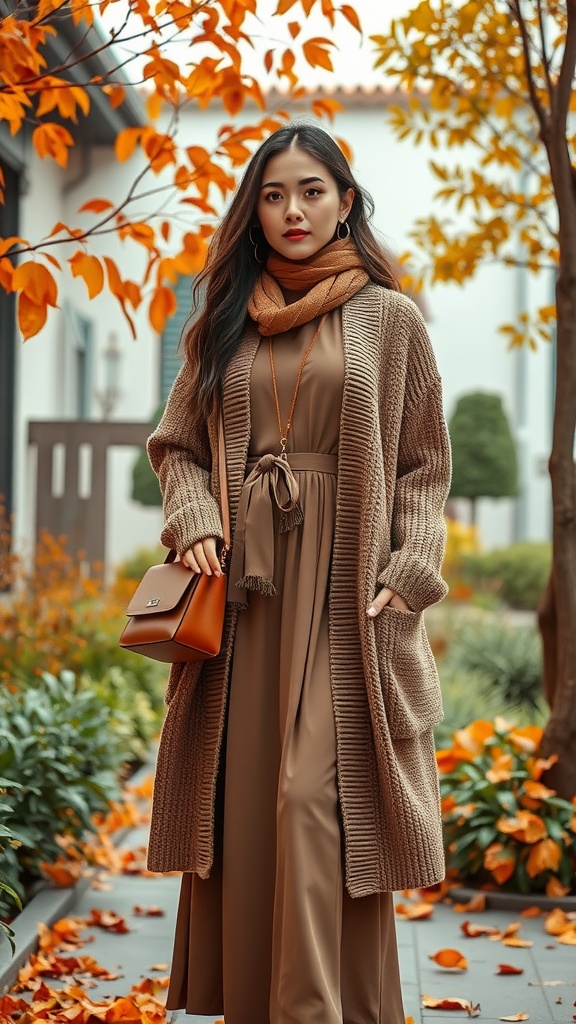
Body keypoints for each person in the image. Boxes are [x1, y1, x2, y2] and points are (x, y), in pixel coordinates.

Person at [146, 120, 451, 1024]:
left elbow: (425, 464)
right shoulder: (223, 316)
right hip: (245, 596)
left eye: (312, 191)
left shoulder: (390, 319)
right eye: (273, 194)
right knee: (244, 809)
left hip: (349, 596)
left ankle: (319, 1009)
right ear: (255, 208)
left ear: (345, 201)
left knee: (312, 798)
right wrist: (196, 514)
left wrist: (414, 561)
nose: (292, 211)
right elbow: (177, 447)